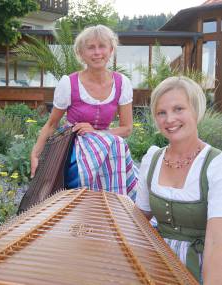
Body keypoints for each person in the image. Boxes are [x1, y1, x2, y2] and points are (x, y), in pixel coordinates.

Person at [31, 25, 137, 195]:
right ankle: (105, 204)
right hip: (74, 147)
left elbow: (127, 128)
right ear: (81, 53)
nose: (97, 52)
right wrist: (35, 155)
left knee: (116, 145)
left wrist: (96, 133)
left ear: (111, 50)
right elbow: (51, 124)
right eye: (90, 47)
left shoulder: (122, 83)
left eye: (102, 46)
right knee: (115, 146)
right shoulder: (69, 83)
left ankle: (111, 208)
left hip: (107, 147)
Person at [135, 76, 222, 283]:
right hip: (156, 266)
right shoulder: (152, 159)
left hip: (202, 267)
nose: (169, 119)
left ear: (196, 110)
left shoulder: (216, 165)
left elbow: (215, 242)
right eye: (161, 112)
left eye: (178, 109)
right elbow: (138, 221)